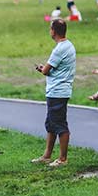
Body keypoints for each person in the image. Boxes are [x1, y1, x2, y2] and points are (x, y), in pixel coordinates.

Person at [33, 19, 76, 167]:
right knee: (51, 123)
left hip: (58, 91)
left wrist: (41, 68)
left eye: (50, 29)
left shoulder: (59, 49)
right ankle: (47, 155)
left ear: (53, 31)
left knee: (59, 124)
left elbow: (46, 70)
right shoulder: (69, 45)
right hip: (58, 90)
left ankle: (63, 159)